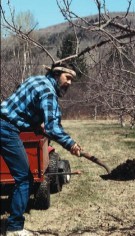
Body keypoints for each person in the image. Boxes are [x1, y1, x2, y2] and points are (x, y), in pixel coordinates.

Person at [0, 63, 82, 236]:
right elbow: (53, 128)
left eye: (72, 80)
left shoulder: (35, 80)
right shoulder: (48, 93)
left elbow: (23, 110)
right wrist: (71, 144)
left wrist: (36, 126)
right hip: (6, 128)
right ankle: (14, 228)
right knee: (24, 179)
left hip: (4, 122)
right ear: (57, 73)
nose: (69, 83)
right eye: (67, 78)